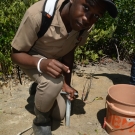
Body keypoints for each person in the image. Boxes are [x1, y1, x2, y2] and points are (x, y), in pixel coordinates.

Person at [11, 0, 118, 134]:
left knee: (59, 114)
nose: (87, 18)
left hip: (54, 62)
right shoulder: (38, 14)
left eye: (96, 16)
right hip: (30, 58)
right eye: (85, 7)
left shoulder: (84, 25)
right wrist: (41, 64)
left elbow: (69, 50)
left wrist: (66, 84)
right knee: (52, 82)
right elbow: (15, 54)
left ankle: (38, 90)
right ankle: (41, 122)